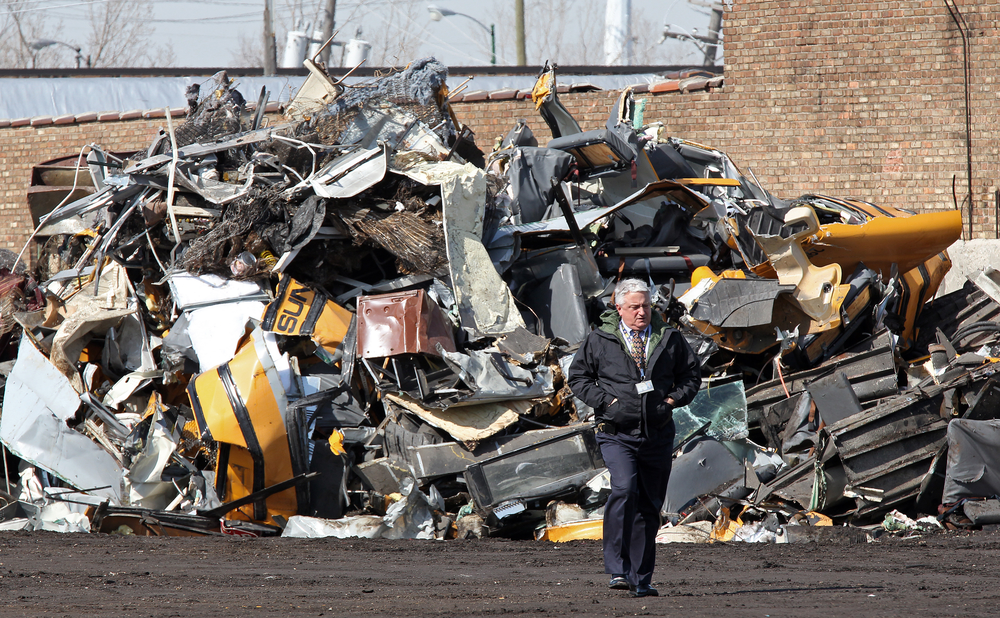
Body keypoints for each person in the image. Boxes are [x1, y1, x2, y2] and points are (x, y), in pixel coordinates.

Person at [568, 278, 701, 598]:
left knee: (649, 505)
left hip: (657, 434)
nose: (641, 312)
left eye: (645, 306)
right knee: (625, 488)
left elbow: (691, 375)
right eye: (634, 307)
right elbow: (578, 376)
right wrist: (606, 402)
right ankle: (617, 569)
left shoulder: (668, 337)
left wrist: (671, 400)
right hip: (616, 433)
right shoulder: (600, 339)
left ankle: (641, 578)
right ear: (619, 307)